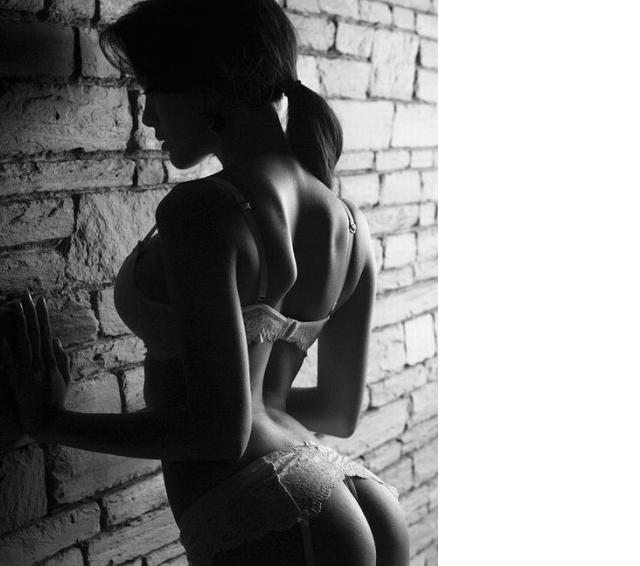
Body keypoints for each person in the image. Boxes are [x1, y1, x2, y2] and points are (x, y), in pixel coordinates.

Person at [2, 0, 410, 564]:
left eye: (152, 90)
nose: (148, 118)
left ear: (209, 89)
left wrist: (52, 422)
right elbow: (339, 413)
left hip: (274, 508)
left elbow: (221, 434)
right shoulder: (349, 222)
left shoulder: (204, 210)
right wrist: (247, 401)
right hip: (348, 491)